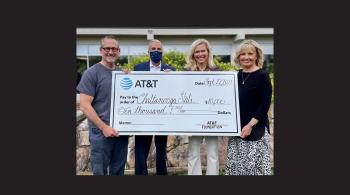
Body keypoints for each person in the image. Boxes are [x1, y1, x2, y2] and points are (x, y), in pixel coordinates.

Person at [76, 35, 129, 175]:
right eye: (107, 48)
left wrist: (132, 77)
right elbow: (84, 106)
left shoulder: (122, 74)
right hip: (100, 133)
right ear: (101, 50)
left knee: (118, 172)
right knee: (100, 172)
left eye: (114, 49)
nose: (111, 52)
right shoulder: (91, 73)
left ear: (119, 51)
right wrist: (104, 127)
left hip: (120, 131)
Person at [225, 39, 272, 175]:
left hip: (255, 129)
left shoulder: (263, 76)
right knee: (236, 169)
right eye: (243, 54)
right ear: (238, 57)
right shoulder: (235, 76)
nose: (246, 57)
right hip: (236, 131)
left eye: (250, 53)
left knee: (253, 170)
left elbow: (264, 105)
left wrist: (250, 125)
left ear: (256, 55)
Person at [133, 39, 176, 175]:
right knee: (141, 148)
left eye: (159, 49)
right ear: (148, 52)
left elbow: (175, 92)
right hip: (143, 116)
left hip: (162, 117)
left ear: (162, 52)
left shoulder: (171, 70)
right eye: (153, 49)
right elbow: (133, 89)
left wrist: (173, 78)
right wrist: (125, 75)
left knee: (161, 149)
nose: (156, 52)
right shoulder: (138, 68)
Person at [184, 39, 220, 175]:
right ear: (193, 54)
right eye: (197, 51)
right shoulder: (186, 72)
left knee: (213, 154)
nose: (200, 54)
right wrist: (169, 76)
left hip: (213, 118)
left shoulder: (217, 71)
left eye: (203, 51)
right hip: (193, 118)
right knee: (193, 153)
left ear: (208, 52)